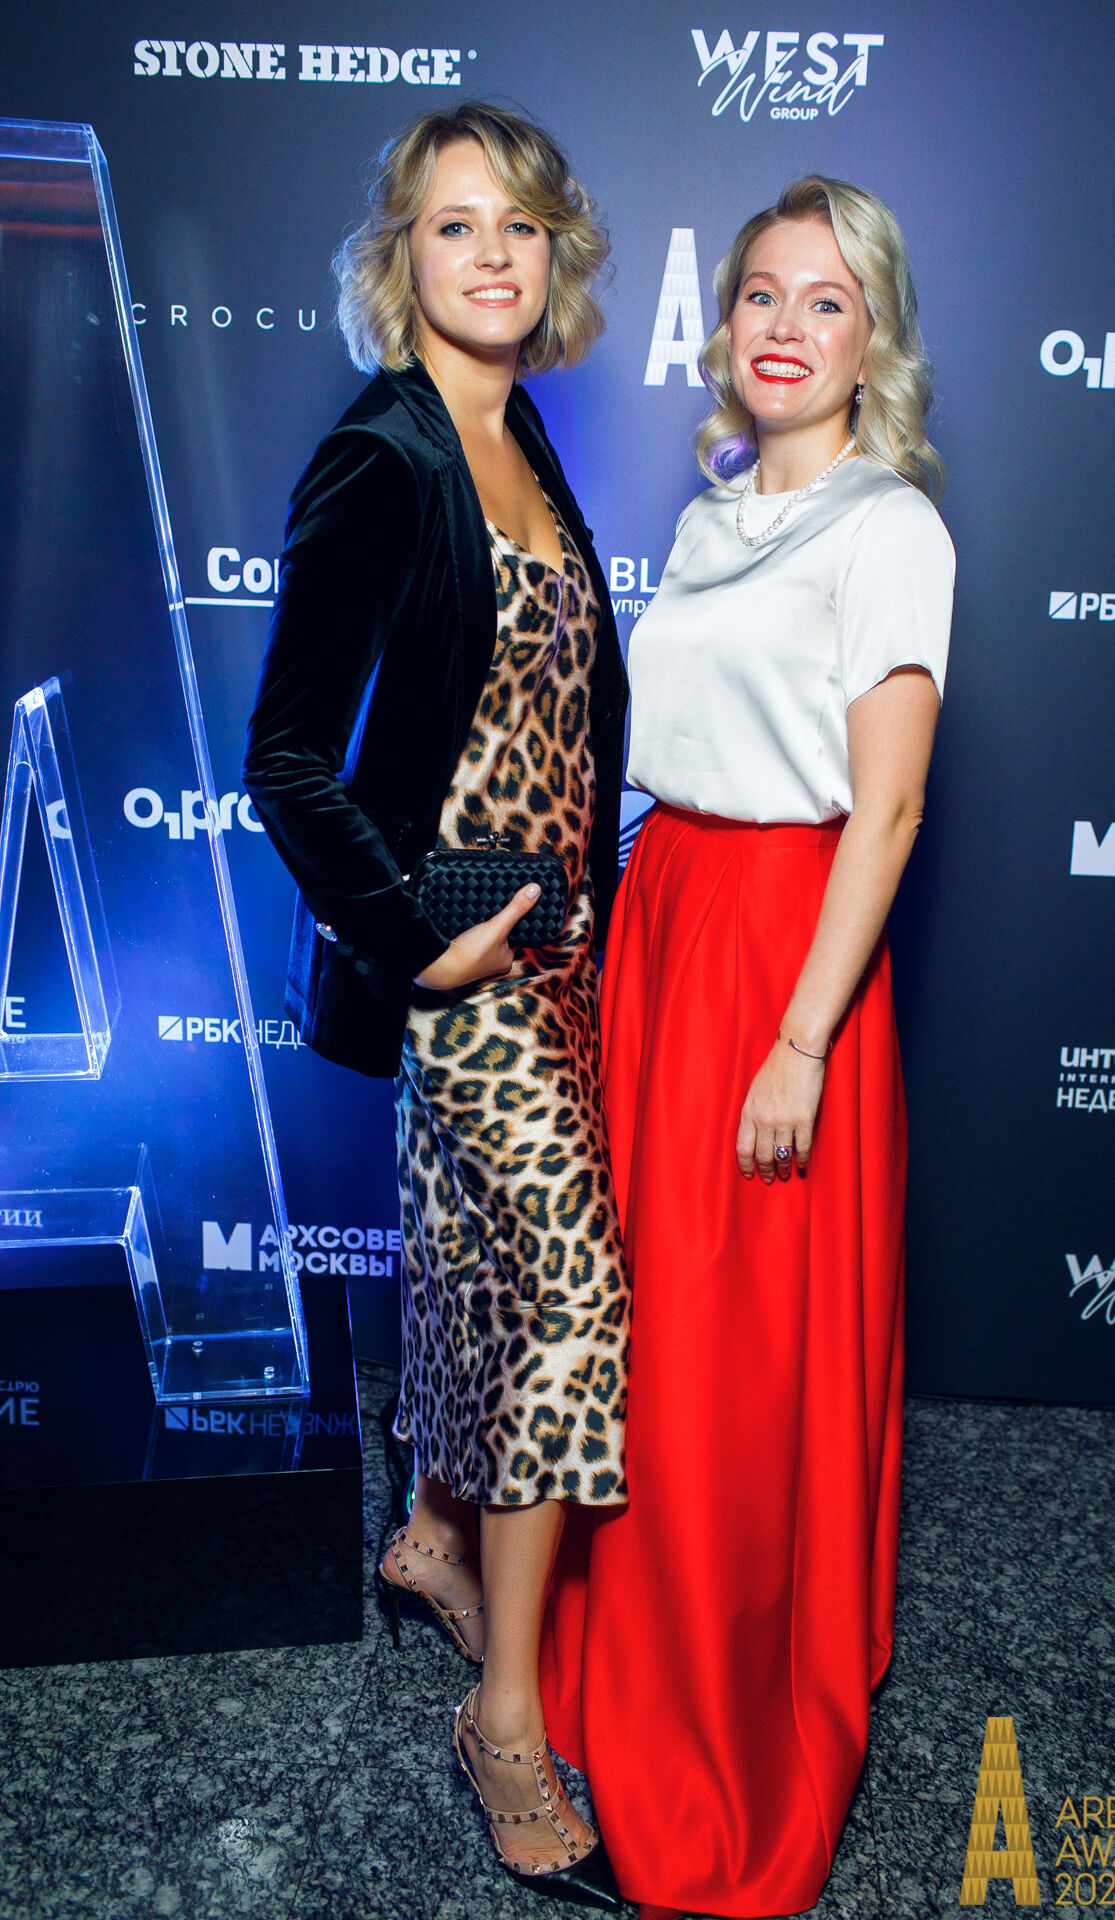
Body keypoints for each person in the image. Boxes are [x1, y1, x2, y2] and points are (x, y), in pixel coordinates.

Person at [540, 175, 955, 1918]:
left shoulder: (891, 528)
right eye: (761, 295)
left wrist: (800, 1039)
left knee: (737, 1358)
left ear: (874, 341)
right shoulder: (716, 515)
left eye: (826, 300)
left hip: (784, 957)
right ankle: (615, 1659)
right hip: (670, 923)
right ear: (723, 329)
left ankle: (726, 1735)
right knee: (653, 1330)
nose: (785, 326)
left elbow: (889, 808)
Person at [243, 103, 628, 1910]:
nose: (491, 254)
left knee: (477, 1264)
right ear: (399, 253)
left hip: (559, 954)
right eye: (454, 223)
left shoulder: (518, 429)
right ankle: (506, 1722)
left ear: (555, 257)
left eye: (519, 226)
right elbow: (287, 753)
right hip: (465, 961)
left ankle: (429, 1536)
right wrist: (416, 943)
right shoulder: (386, 454)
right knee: (568, 1296)